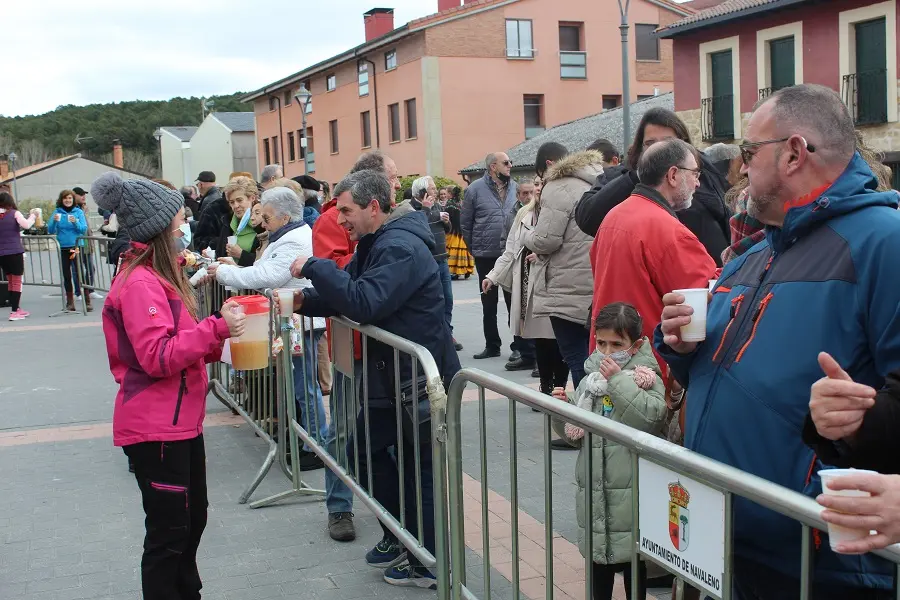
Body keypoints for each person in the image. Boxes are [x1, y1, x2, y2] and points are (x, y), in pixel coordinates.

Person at [656, 84, 900, 597]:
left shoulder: (883, 242)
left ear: (794, 152)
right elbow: (717, 372)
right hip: (732, 543)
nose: (740, 169)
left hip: (820, 564)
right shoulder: (754, 254)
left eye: (748, 153)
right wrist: (680, 346)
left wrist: (864, 420)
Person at [285, 169, 460, 589]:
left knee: (420, 471)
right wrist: (300, 299)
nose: (340, 219)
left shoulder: (399, 245)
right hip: (394, 378)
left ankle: (429, 561)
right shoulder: (379, 241)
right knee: (365, 451)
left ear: (374, 207)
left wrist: (313, 266)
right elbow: (353, 291)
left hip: (416, 381)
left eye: (346, 210)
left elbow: (364, 301)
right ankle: (403, 536)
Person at [92, 171, 246, 600]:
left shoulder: (155, 275)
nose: (184, 229)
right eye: (179, 222)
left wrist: (217, 343)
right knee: (169, 532)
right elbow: (158, 357)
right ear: (159, 228)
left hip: (176, 421)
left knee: (190, 521)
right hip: (157, 426)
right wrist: (215, 329)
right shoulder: (141, 283)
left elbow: (177, 343)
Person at [208, 187, 328, 472]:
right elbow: (263, 268)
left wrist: (227, 273)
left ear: (285, 217)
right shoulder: (287, 235)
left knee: (305, 387)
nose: (264, 222)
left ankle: (316, 444)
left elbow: (270, 274)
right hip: (293, 321)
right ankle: (305, 438)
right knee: (298, 385)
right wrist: (233, 267)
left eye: (269, 216)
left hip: (301, 322)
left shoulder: (295, 239)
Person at [552, 303, 666, 600]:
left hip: (632, 491)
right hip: (595, 490)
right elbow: (576, 436)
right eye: (601, 343)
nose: (607, 351)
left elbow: (651, 417)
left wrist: (617, 381)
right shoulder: (590, 381)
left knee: (633, 564)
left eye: (617, 344)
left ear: (636, 344)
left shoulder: (646, 376)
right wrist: (561, 409)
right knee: (597, 562)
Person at [592, 139, 715, 372]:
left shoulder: (613, 216)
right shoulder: (669, 231)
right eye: (695, 173)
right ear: (673, 175)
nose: (698, 183)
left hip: (608, 357)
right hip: (649, 369)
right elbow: (702, 299)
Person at [575, 108, 731, 267]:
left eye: (668, 143)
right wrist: (641, 174)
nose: (659, 151)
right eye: (650, 144)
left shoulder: (704, 172)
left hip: (706, 278)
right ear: (640, 147)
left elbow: (727, 217)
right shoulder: (621, 176)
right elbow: (587, 218)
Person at [310, 161, 361, 542]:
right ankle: (339, 507)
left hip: (385, 345)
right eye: (393, 178)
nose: (398, 185)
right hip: (348, 341)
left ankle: (385, 505)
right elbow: (333, 275)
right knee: (341, 427)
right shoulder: (331, 222)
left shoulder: (394, 222)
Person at [482, 178, 568, 395]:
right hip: (530, 289)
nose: (538, 188)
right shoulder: (523, 215)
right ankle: (546, 387)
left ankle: (559, 388)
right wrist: (492, 276)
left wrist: (542, 254)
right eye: (537, 184)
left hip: (555, 286)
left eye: (542, 184)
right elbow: (510, 250)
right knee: (541, 340)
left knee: (558, 340)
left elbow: (568, 249)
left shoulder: (562, 213)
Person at [524, 142, 599, 386]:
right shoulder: (599, 178)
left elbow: (545, 241)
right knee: (598, 359)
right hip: (597, 281)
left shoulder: (558, 187)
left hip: (567, 287)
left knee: (578, 360)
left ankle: (587, 419)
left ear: (548, 166)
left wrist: (526, 234)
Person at [462, 152, 527, 364]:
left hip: (509, 254)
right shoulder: (474, 189)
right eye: (506, 163)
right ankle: (492, 345)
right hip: (485, 254)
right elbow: (466, 223)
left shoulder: (514, 187)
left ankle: (518, 347)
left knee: (513, 302)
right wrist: (474, 247)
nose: (510, 165)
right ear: (492, 166)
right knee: (488, 303)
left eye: (510, 162)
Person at [411, 176, 457, 348]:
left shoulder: (436, 205)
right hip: (427, 262)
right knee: (432, 301)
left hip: (442, 259)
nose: (435, 191)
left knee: (448, 299)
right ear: (422, 191)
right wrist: (427, 209)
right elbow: (419, 226)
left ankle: (448, 334)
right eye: (432, 188)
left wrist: (446, 222)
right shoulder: (413, 208)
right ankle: (436, 336)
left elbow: (447, 229)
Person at [48, 189, 88, 312]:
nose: (68, 200)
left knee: (78, 272)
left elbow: (83, 229)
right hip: (63, 248)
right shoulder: (57, 212)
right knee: (66, 274)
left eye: (70, 198)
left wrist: (75, 222)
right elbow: (50, 230)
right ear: (62, 200)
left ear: (73, 200)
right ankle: (70, 302)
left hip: (74, 247)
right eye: (65, 198)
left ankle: (87, 299)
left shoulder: (78, 212)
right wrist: (54, 221)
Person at [0, 192, 38, 320]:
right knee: (17, 281)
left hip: (2, 253)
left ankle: (15, 307)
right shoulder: (14, 213)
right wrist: (33, 216)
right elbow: (26, 225)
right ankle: (15, 311)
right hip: (15, 252)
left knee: (10, 280)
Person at [215, 176, 259, 267]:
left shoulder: (262, 226)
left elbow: (266, 264)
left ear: (252, 198)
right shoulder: (228, 224)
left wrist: (241, 255)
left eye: (239, 200)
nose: (235, 206)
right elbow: (220, 254)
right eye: (232, 202)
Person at [443, 186, 474, 281]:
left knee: (453, 251)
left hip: (453, 231)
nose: (445, 195)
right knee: (463, 250)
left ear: (449, 193)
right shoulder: (461, 203)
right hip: (462, 231)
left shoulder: (449, 204)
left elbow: (448, 218)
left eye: (446, 193)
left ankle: (455, 271)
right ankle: (466, 270)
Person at [193, 171, 228, 252]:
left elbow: (203, 225)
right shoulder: (218, 194)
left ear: (201, 184)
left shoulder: (208, 200)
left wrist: (191, 224)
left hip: (212, 246)